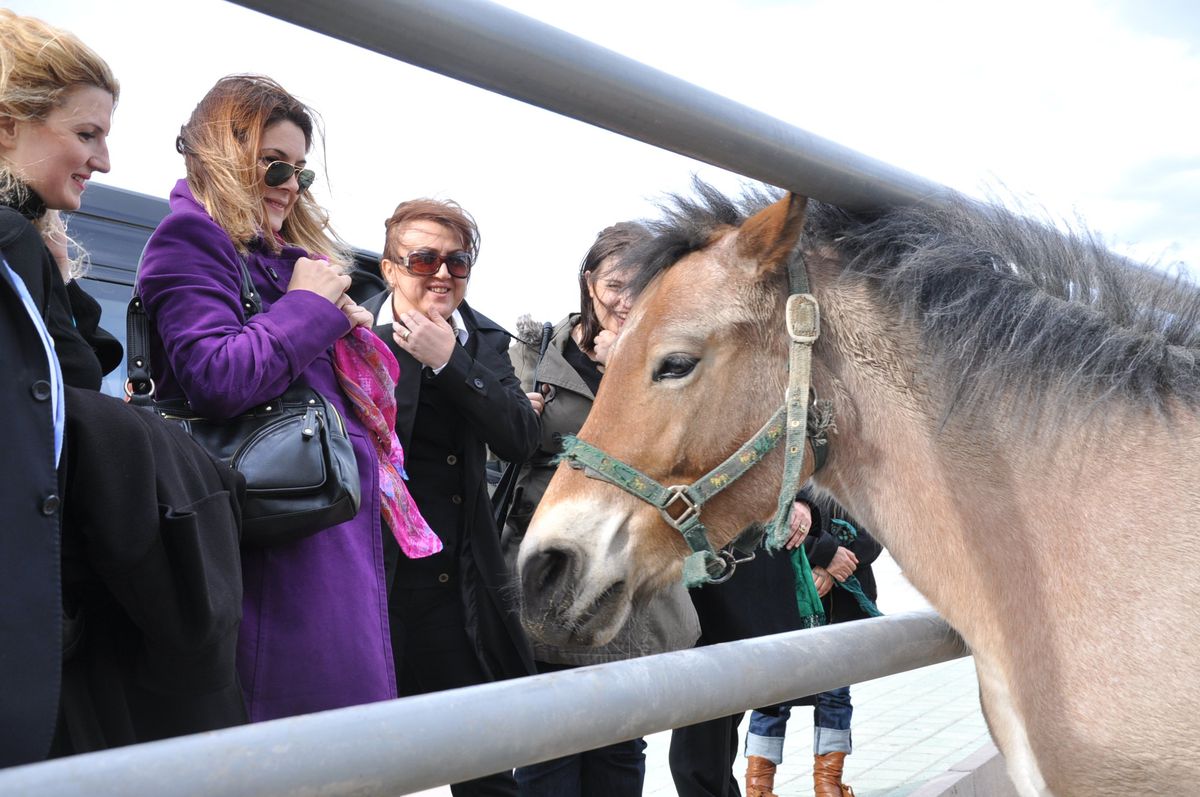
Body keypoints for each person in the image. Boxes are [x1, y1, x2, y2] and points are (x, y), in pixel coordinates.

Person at [138, 74, 430, 722]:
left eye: (301, 170)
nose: (290, 184)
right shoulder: (190, 240)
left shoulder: (286, 258)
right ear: (223, 154)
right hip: (270, 555)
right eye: (274, 164)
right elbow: (216, 377)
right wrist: (306, 306)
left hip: (321, 536)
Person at [0, 10, 246, 765]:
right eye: (85, 133)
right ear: (8, 124)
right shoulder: (13, 250)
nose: (104, 160)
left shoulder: (29, 246)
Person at [500, 222, 701, 797]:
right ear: (589, 282)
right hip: (555, 556)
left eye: (643, 284)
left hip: (630, 562)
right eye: (615, 283)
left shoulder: (672, 364)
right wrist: (522, 416)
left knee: (619, 748)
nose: (625, 299)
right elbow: (501, 446)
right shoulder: (534, 350)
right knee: (546, 749)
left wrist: (630, 370)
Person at [362, 198, 539, 797]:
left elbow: (520, 436)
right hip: (372, 585)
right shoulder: (350, 328)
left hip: (456, 586)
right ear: (390, 269)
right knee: (366, 765)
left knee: (486, 770)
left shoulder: (483, 340)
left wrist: (450, 362)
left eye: (457, 262)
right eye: (424, 258)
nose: (442, 273)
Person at [743, 493, 882, 797]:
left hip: (842, 603)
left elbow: (877, 534)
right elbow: (772, 527)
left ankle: (827, 785)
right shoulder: (789, 467)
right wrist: (823, 556)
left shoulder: (857, 474)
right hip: (787, 597)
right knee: (773, 697)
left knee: (834, 694)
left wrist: (830, 568)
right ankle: (759, 787)